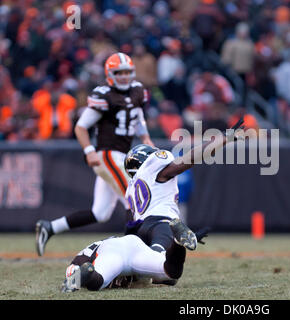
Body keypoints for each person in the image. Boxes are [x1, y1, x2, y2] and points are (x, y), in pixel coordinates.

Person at [35, 52, 154, 256]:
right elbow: (80, 127)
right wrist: (89, 150)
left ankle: (50, 227)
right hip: (107, 155)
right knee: (132, 198)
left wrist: (145, 138)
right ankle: (134, 252)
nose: (124, 76)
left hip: (122, 155)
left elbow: (139, 117)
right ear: (110, 74)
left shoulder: (137, 91)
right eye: (119, 72)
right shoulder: (104, 95)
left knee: (100, 212)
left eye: (127, 72)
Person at [122, 117, 245, 258]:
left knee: (164, 274)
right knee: (160, 262)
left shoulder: (130, 188)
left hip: (141, 230)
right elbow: (191, 158)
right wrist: (223, 138)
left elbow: (130, 223)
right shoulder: (155, 170)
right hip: (161, 223)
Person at [60, 220, 208, 292]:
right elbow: (171, 280)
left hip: (114, 252)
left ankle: (89, 273)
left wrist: (73, 281)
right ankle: (177, 242)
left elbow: (74, 267)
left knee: (96, 282)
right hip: (134, 245)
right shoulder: (112, 243)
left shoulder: (101, 248)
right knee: (172, 272)